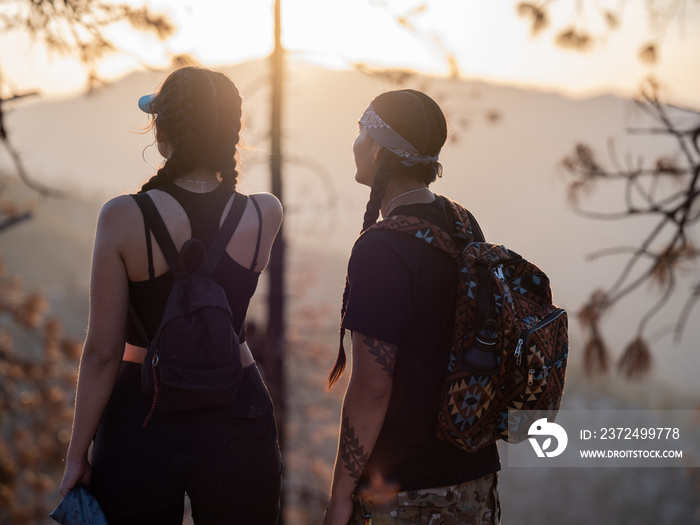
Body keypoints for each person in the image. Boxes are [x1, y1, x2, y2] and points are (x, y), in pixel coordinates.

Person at [59, 66, 283, 524]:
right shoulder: (264, 213)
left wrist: (77, 454)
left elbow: (103, 352)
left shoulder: (123, 216)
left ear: (162, 133)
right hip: (237, 412)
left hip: (141, 413)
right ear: (230, 135)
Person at [322, 90, 501, 525]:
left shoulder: (381, 249)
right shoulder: (462, 222)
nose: (356, 141)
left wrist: (340, 498)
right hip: (475, 478)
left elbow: (371, 389)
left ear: (379, 149)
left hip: (408, 492)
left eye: (362, 130)